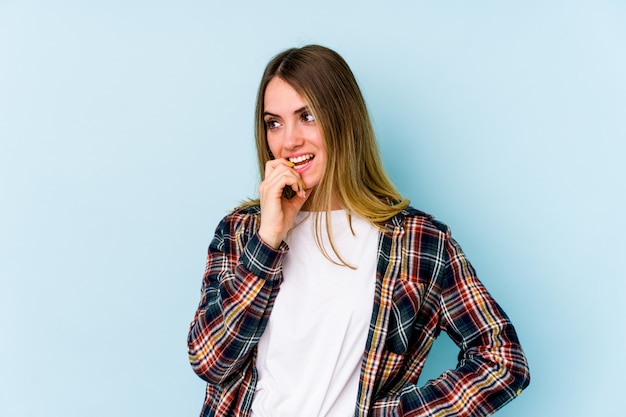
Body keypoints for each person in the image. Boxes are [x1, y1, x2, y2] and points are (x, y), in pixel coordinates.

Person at [187, 44, 530, 417]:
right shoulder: (240, 233)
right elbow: (210, 361)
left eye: (308, 116)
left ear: (343, 120)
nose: (288, 141)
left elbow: (502, 361)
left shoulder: (416, 241)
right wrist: (268, 240)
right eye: (274, 123)